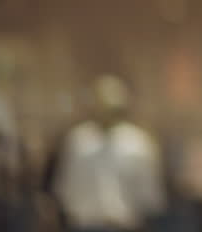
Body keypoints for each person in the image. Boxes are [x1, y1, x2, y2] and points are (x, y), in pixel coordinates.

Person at [49, 75, 166, 232]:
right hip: (83, 224)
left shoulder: (138, 144)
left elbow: (149, 196)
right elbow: (64, 190)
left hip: (124, 225)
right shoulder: (78, 141)